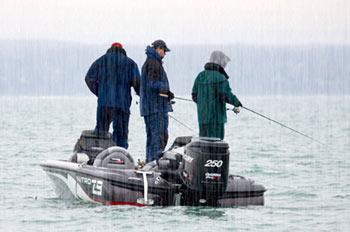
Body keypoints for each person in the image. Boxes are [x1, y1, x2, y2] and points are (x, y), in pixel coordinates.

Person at [85, 42, 140, 149]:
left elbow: (89, 79)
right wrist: (142, 95)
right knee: (121, 133)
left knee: (101, 132)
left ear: (110, 49)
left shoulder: (100, 61)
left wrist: (100, 93)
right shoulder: (130, 63)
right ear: (122, 50)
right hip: (122, 105)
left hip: (104, 104)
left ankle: (98, 154)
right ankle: (119, 157)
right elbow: (137, 83)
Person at [191, 50, 242, 140]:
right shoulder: (220, 77)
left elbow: (194, 95)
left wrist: (204, 104)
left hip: (203, 118)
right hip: (217, 119)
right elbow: (227, 94)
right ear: (220, 62)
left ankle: (205, 154)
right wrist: (237, 102)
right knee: (217, 142)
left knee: (204, 142)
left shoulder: (200, 76)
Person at [140, 40, 174, 163]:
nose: (164, 54)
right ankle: (154, 164)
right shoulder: (154, 63)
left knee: (152, 137)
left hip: (149, 108)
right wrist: (166, 91)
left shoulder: (149, 62)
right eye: (164, 51)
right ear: (158, 49)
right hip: (156, 108)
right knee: (159, 137)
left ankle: (149, 162)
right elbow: (152, 83)